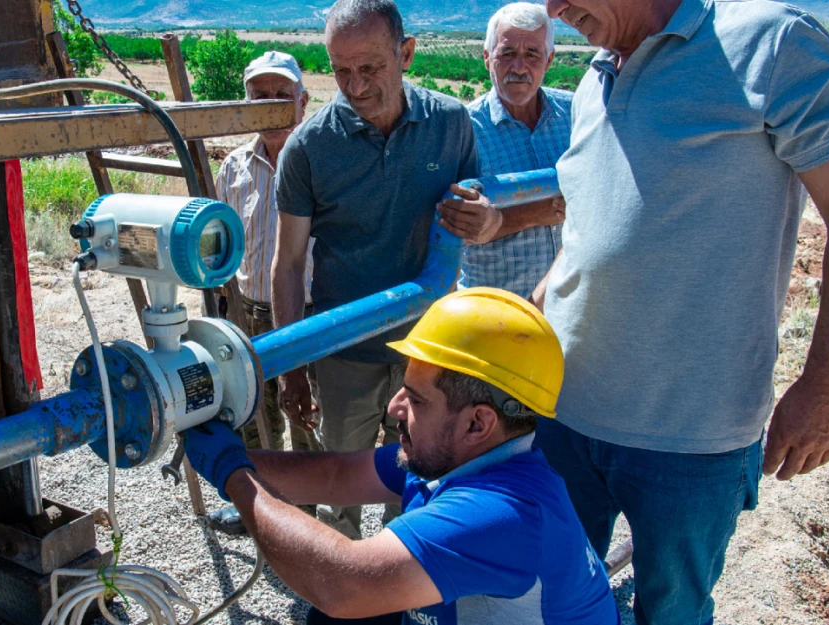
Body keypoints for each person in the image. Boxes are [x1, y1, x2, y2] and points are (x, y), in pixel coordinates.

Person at [499, 1, 829, 623]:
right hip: (563, 415)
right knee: (555, 600)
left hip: (692, 434)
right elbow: (590, 225)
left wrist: (827, 387)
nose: (553, 9)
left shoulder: (772, 42)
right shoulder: (592, 79)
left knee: (673, 611)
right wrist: (530, 319)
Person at [182, 289, 620, 625]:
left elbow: (340, 582)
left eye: (415, 399)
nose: (394, 409)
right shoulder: (458, 458)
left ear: (477, 423)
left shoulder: (503, 513)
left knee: (351, 599)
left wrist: (234, 474)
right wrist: (227, 450)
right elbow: (333, 476)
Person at [272, 0, 479, 539]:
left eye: (370, 68)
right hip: (345, 355)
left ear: (405, 53)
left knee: (419, 476)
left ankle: (399, 580)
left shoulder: (452, 125)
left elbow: (473, 219)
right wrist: (293, 365)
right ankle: (340, 592)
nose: (355, 86)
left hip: (427, 349)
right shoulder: (309, 147)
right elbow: (289, 264)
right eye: (341, 71)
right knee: (340, 479)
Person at [209, 51, 321, 533]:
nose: (271, 106)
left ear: (303, 101)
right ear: (245, 103)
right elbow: (220, 245)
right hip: (248, 310)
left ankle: (312, 517)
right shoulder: (233, 168)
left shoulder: (321, 164)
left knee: (309, 416)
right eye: (260, 97)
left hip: (310, 312)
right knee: (255, 413)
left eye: (281, 96)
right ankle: (268, 510)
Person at [443, 3, 572, 296]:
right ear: (487, 58)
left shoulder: (578, 113)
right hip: (496, 310)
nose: (519, 67)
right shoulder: (462, 129)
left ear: (549, 60)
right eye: (507, 53)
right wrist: (540, 211)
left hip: (571, 308)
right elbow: (452, 223)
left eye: (532, 54)